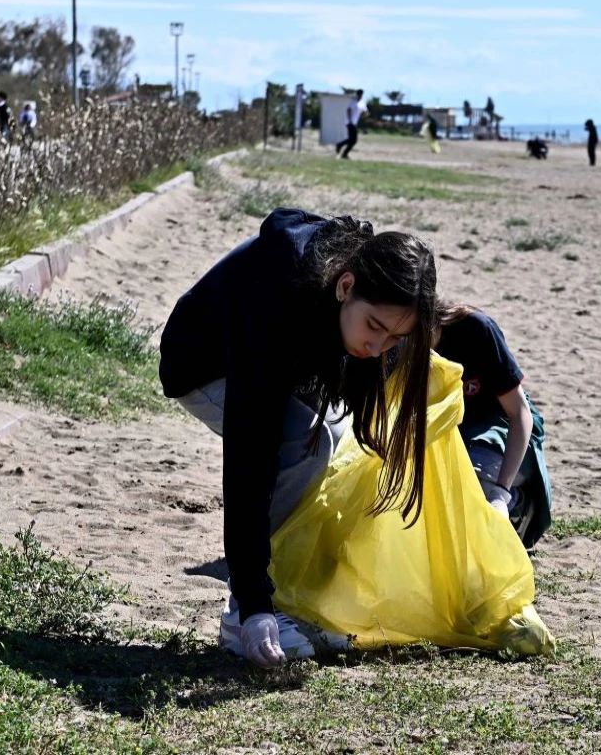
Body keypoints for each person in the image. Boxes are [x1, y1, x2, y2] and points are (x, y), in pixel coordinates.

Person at [159, 209, 439, 667]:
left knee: (333, 439)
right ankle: (243, 612)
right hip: (204, 365)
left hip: (280, 365)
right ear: (345, 286)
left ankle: (290, 592)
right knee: (304, 443)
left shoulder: (369, 295)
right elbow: (252, 448)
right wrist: (252, 604)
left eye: (393, 339)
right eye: (373, 327)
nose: (376, 348)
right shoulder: (279, 289)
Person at [435, 304, 552, 548]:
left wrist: (501, 492)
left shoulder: (476, 329)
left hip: (500, 429)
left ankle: (518, 506)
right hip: (452, 433)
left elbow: (520, 414)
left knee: (472, 478)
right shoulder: (392, 339)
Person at [335, 89, 365, 159]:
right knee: (353, 140)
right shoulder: (353, 102)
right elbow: (348, 110)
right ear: (357, 95)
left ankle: (341, 147)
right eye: (359, 95)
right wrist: (350, 119)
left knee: (352, 140)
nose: (360, 96)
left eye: (361, 95)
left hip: (355, 123)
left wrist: (364, 116)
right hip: (350, 123)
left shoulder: (362, 103)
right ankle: (343, 152)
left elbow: (365, 111)